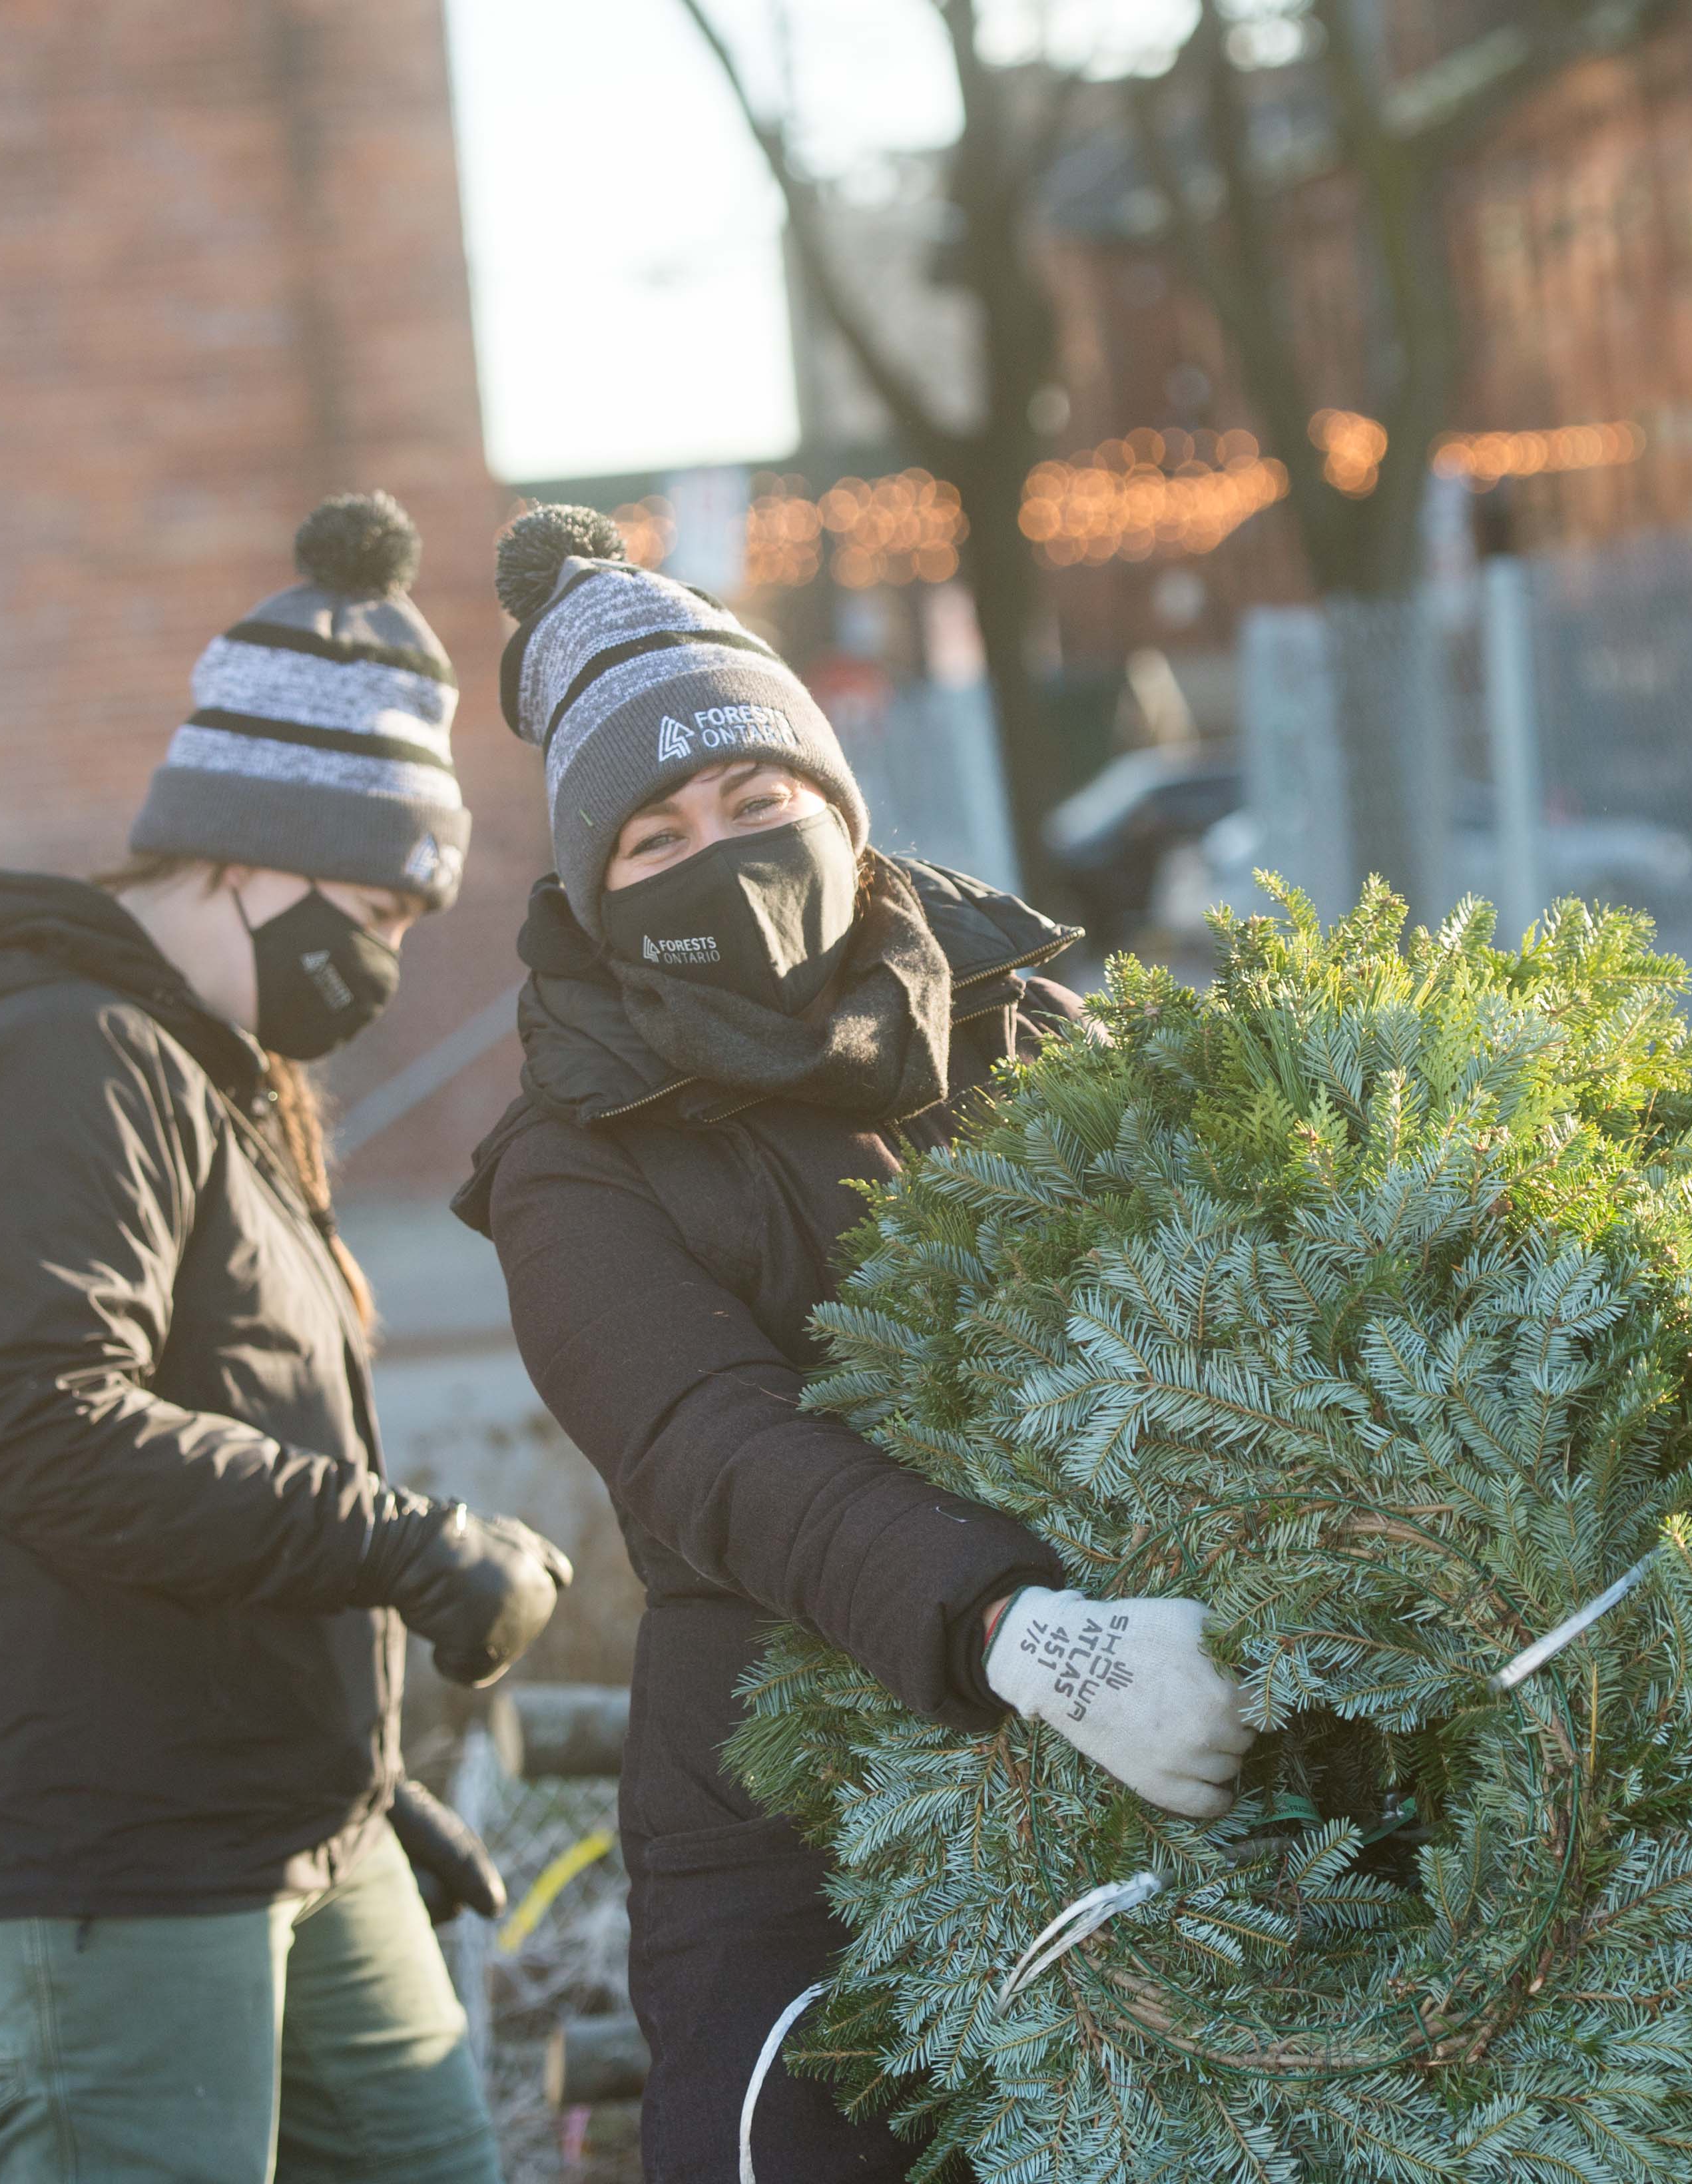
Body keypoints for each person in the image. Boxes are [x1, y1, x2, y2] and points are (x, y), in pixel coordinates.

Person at [454, 506, 1255, 2181]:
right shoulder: (571, 1156)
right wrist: (1025, 1634)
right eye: (657, 834)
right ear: (594, 893)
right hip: (785, 1816)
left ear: (833, 796)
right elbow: (705, 1442)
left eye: (759, 799)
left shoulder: (1023, 1016)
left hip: (1134, 1780)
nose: (725, 852)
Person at [0, 493, 571, 2184]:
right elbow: (51, 1427)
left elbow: (240, 1440)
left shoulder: (214, 1079)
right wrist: (412, 1550)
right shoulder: (67, 1059)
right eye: (382, 907)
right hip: (107, 1862)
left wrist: (358, 1762)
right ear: (251, 846)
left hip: (292, 1828)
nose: (388, 957)